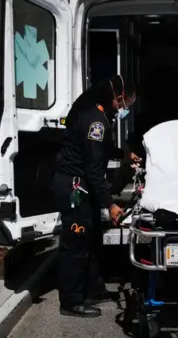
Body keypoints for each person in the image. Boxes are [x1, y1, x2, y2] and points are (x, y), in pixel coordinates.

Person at [51, 75, 141, 318]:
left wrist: (123, 154)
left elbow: (97, 148)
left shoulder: (94, 112)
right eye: (126, 104)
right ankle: (71, 302)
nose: (125, 109)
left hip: (78, 185)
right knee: (76, 246)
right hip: (75, 188)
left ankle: (92, 290)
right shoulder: (95, 121)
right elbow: (93, 168)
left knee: (90, 243)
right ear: (118, 97)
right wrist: (110, 204)